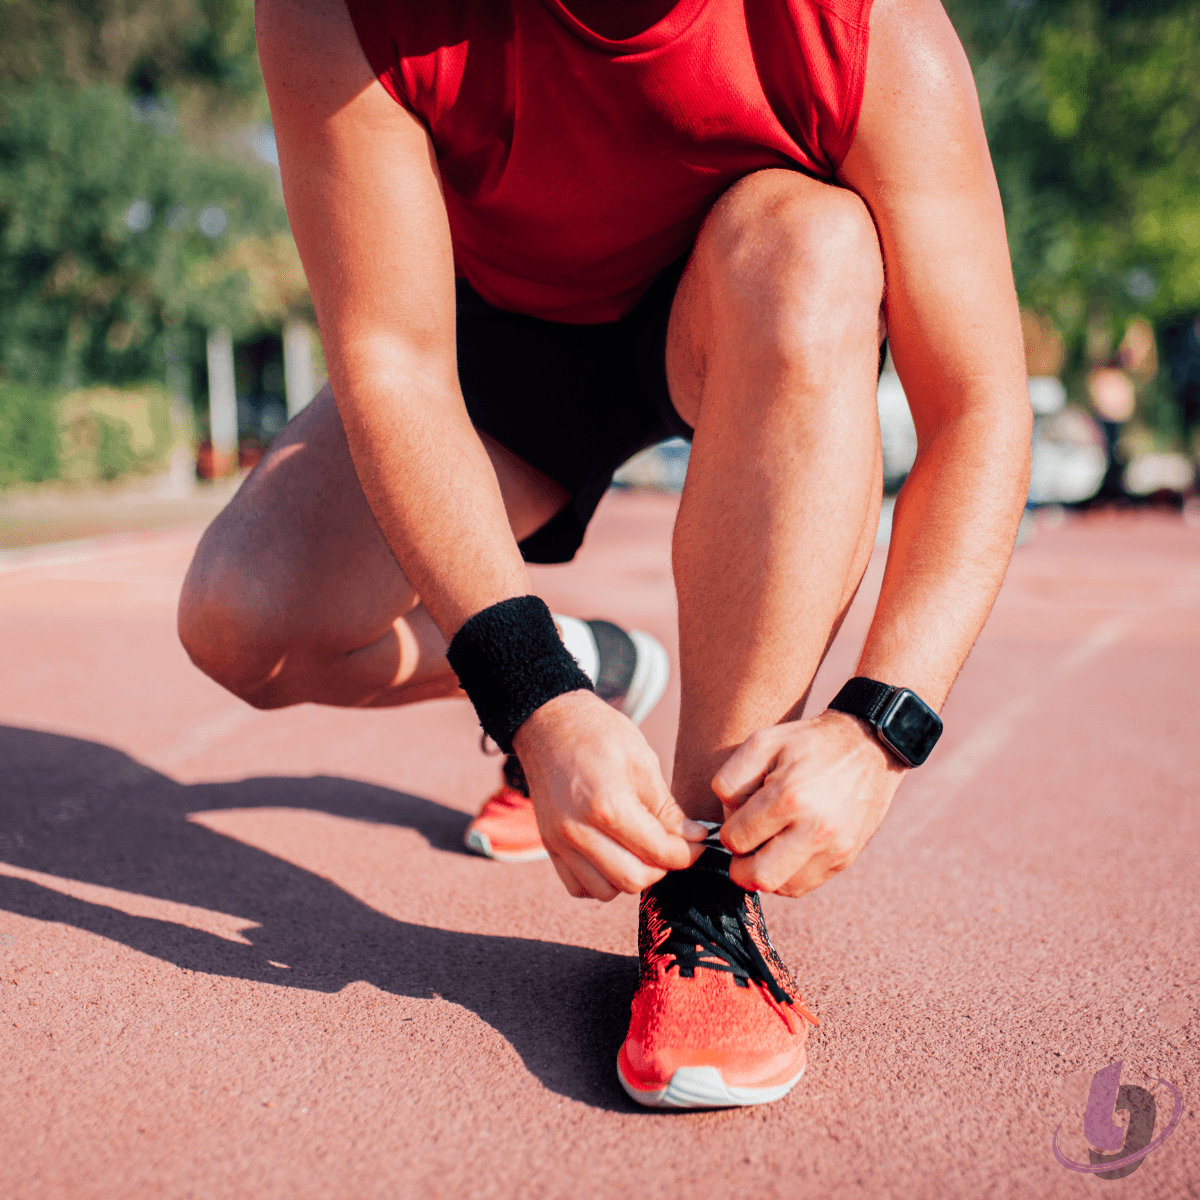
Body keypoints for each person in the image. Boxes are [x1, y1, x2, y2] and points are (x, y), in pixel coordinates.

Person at [178, 0, 1031, 1109]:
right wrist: (536, 692)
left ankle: (706, 894)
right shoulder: (340, 13)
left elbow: (978, 405)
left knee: (817, 243)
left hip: (740, 304)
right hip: (487, 349)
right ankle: (591, 671)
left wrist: (879, 727)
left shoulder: (869, 30)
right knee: (240, 621)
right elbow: (392, 362)